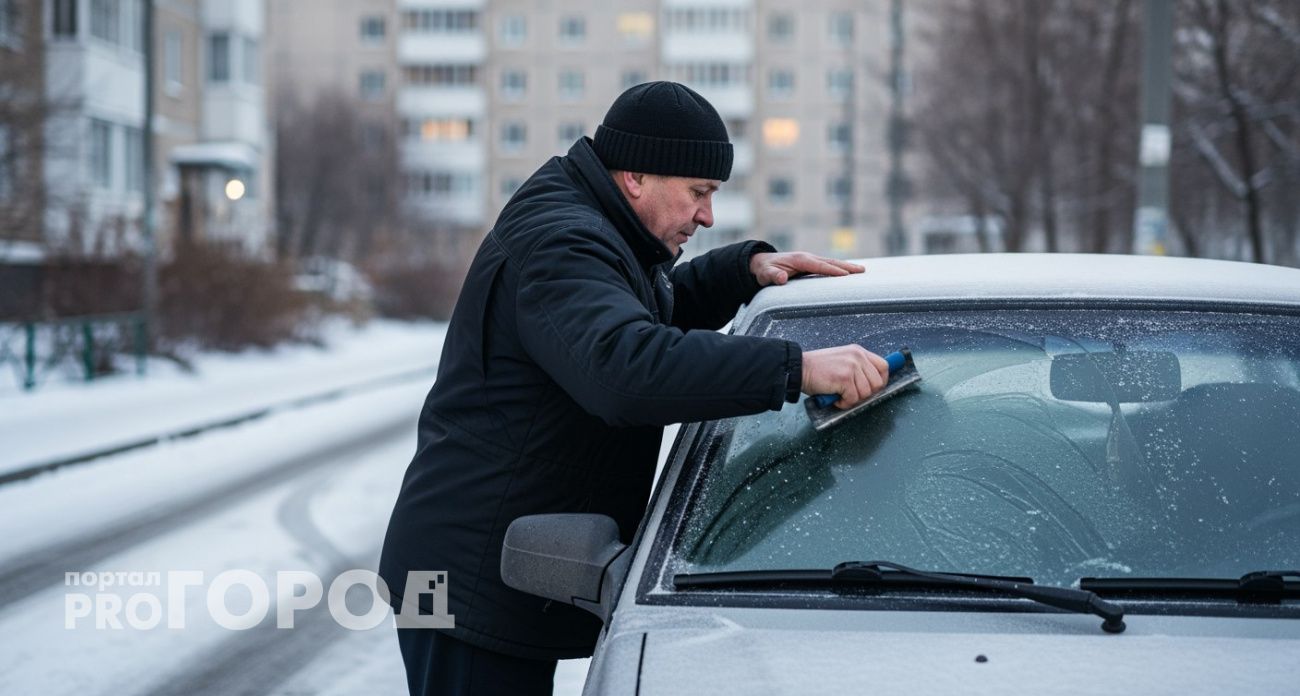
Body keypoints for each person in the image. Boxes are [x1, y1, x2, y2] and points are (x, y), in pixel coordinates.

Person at [379, 81, 889, 696]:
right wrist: (794, 368)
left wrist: (740, 269)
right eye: (698, 193)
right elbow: (624, 367)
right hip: (463, 576)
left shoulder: (602, 230)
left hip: (495, 564)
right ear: (635, 178)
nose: (707, 215)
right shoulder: (561, 242)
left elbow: (645, 313)